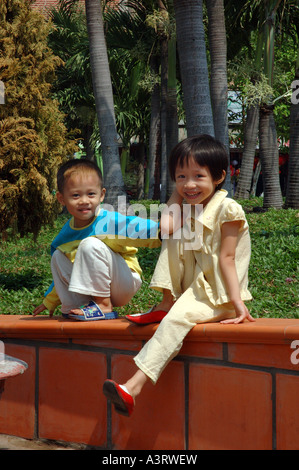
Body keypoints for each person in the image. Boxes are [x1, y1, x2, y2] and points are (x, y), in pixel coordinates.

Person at [103, 134, 255, 416]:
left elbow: (228, 258)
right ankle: (165, 301)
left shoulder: (228, 208)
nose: (189, 184)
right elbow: (166, 227)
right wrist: (179, 192)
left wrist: (237, 303)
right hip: (194, 288)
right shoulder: (188, 206)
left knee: (176, 319)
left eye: (198, 176)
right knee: (173, 233)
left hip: (217, 294)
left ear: (219, 177)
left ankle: (132, 388)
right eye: (181, 176)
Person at [33, 158, 160, 320]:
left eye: (91, 194)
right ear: (61, 198)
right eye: (76, 195)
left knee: (90, 244)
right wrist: (49, 301)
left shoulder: (107, 220)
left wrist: (161, 230)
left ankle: (104, 306)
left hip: (124, 282)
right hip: (96, 288)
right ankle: (74, 308)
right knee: (59, 256)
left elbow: (135, 227)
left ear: (102, 195)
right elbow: (62, 272)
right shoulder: (64, 236)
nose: (84, 201)